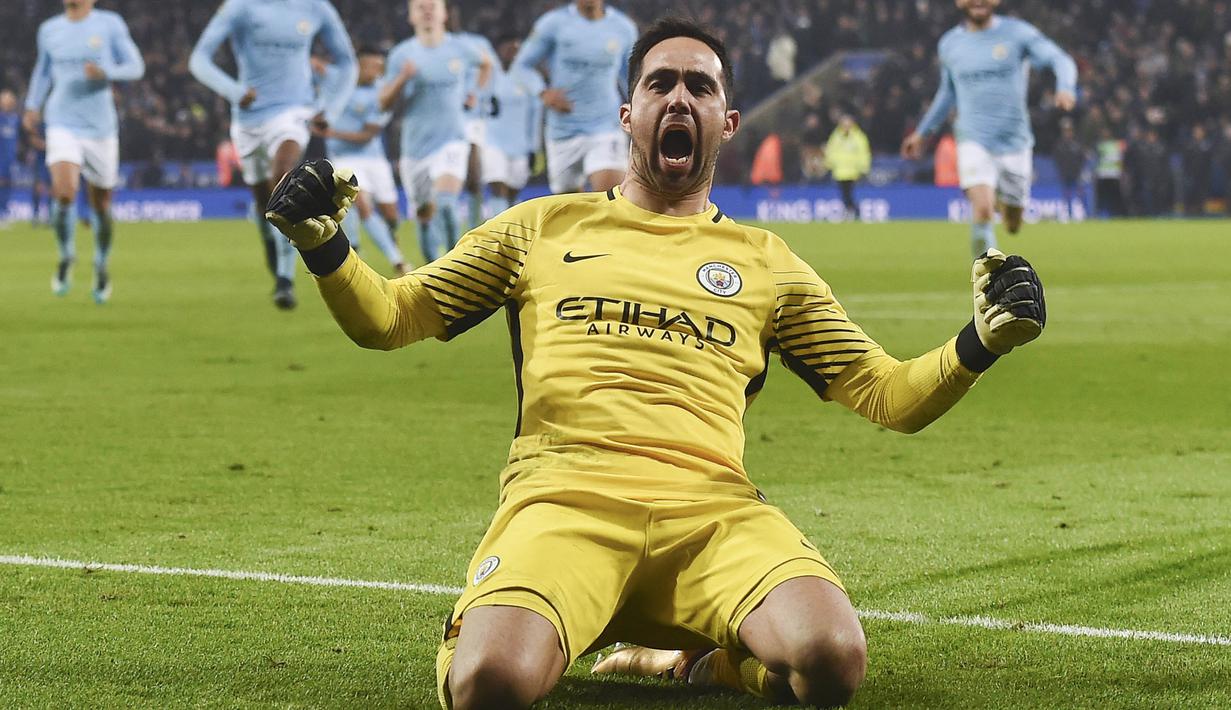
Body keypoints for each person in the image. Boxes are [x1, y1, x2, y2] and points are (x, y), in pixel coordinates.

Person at [264, 18, 1047, 709]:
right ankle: (478, 631)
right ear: (627, 113)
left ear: (726, 121)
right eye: (659, 83)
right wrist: (325, 247)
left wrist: (979, 342)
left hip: (711, 515)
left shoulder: (766, 262)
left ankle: (699, 665)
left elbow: (885, 393)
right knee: (489, 688)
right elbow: (391, 317)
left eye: (699, 86)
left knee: (831, 662)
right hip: (564, 504)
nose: (678, 98)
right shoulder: (538, 228)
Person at [190, 0, 357, 310]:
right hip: (248, 121)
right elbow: (199, 59)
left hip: (295, 112)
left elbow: (348, 63)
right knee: (263, 201)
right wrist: (235, 91)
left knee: (283, 179)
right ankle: (271, 242)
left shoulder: (315, 8)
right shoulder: (241, 7)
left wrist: (330, 110)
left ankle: (284, 279)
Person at [902, 0, 1076, 258]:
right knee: (982, 209)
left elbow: (1060, 59)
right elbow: (947, 93)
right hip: (973, 138)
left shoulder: (1017, 33)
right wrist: (921, 133)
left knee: (1013, 223)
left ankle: (1004, 201)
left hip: (1014, 141)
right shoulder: (950, 43)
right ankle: (988, 276)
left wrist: (1065, 88)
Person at [24, 0, 144, 302]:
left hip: (100, 128)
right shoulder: (49, 29)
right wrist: (32, 105)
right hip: (61, 121)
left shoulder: (110, 24)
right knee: (64, 192)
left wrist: (105, 72)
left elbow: (135, 66)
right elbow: (43, 71)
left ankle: (101, 263)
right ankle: (66, 255)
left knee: (101, 205)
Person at [378, 0, 491, 263]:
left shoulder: (460, 47)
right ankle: (433, 267)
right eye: (420, 7)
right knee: (424, 214)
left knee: (447, 204)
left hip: (452, 140)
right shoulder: (401, 54)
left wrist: (474, 92)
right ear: (411, 16)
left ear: (443, 13)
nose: (427, 10)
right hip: (415, 148)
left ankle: (456, 264)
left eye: (432, 6)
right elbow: (383, 101)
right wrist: (402, 78)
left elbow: (486, 63)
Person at [512, 0, 637, 194]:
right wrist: (543, 92)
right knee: (569, 205)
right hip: (563, 130)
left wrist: (639, 105)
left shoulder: (623, 28)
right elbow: (521, 66)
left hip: (606, 126)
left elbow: (631, 76)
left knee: (609, 197)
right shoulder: (553, 23)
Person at [319, 46, 409, 275]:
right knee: (362, 205)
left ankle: (376, 239)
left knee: (391, 214)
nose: (378, 72)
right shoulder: (339, 80)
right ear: (359, 65)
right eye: (374, 66)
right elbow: (315, 66)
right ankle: (397, 260)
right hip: (344, 159)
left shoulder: (382, 94)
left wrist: (330, 132)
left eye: (381, 67)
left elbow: (368, 135)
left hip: (374, 158)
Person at [481, 35, 545, 216]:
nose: (513, 53)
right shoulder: (488, 74)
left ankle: (507, 223)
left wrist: (534, 148)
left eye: (517, 49)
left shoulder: (531, 78)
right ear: (499, 50)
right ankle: (497, 228)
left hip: (520, 145)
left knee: (512, 192)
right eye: (509, 48)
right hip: (492, 141)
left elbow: (536, 115)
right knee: (497, 185)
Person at [824, 114, 871, 220]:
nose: (846, 126)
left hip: (852, 171)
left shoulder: (858, 137)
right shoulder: (836, 136)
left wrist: (864, 168)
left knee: (849, 193)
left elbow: (864, 153)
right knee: (844, 193)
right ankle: (851, 210)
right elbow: (830, 151)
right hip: (839, 171)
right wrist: (829, 164)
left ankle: (853, 211)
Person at [0, 90, 18, 229]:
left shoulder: (15, 119)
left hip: (11, 159)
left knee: (8, 184)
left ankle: (5, 211)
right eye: (5, 100)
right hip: (1, 157)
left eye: (10, 100)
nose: (8, 103)